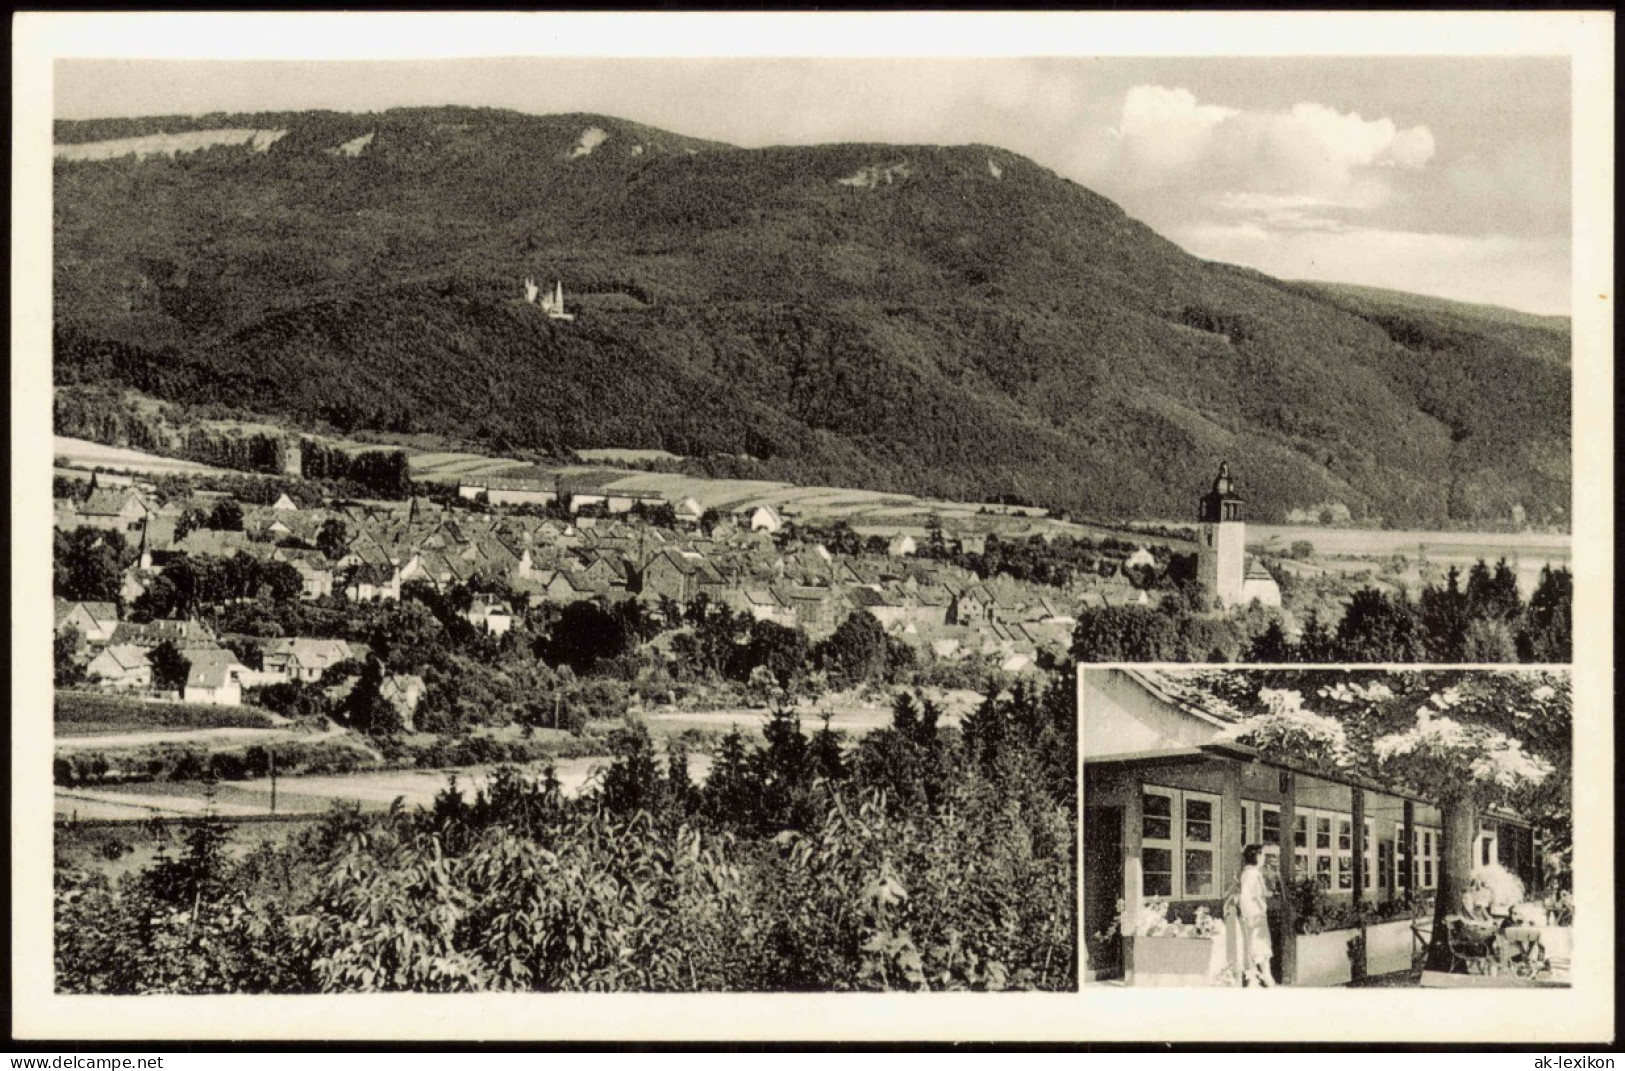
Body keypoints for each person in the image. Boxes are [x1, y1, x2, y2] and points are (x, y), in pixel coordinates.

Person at [1231, 843, 1276, 987]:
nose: (1264, 858)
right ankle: (1265, 978)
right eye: (1262, 854)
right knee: (1259, 947)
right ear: (1255, 856)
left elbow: (1256, 894)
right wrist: (1251, 914)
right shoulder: (1251, 874)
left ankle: (1258, 979)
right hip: (1254, 916)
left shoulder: (1252, 873)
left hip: (1255, 915)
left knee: (1256, 947)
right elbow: (1245, 897)